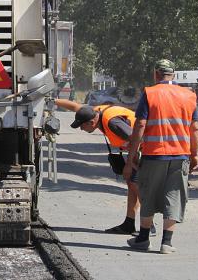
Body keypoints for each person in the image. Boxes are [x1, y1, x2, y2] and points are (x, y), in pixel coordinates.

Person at [124, 59, 198, 254]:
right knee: (174, 196)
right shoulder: (189, 95)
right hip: (180, 155)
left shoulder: (150, 93)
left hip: (154, 155)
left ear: (156, 74)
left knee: (148, 193)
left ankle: (143, 239)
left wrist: (131, 156)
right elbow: (195, 128)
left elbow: (140, 125)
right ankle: (167, 243)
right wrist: (195, 155)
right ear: (173, 75)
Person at [58, 98, 155, 236]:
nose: (81, 129)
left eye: (82, 126)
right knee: (132, 184)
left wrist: (130, 162)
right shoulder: (94, 111)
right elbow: (75, 106)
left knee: (135, 184)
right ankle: (129, 223)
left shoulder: (112, 122)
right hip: (139, 149)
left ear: (92, 122)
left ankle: (149, 225)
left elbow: (136, 138)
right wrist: (51, 100)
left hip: (147, 149)